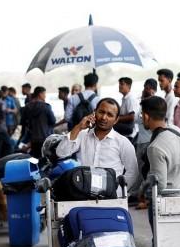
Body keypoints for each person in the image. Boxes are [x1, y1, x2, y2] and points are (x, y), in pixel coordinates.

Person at [139, 96, 180, 247]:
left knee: (160, 245)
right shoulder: (178, 133)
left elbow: (157, 182)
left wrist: (141, 189)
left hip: (162, 203)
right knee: (166, 245)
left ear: (146, 116)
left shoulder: (155, 147)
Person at [56, 97, 138, 193]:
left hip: (111, 200)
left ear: (116, 120)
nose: (104, 117)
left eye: (110, 115)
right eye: (101, 112)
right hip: (84, 196)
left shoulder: (122, 142)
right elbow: (61, 152)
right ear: (94, 112)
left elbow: (133, 172)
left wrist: (117, 192)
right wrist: (78, 127)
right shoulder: (83, 135)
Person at [132, 79, 158, 207]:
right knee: (140, 169)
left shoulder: (155, 104)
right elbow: (137, 120)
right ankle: (140, 194)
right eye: (144, 87)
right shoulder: (142, 104)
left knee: (148, 169)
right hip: (141, 141)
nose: (144, 90)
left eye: (147, 88)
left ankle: (146, 197)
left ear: (153, 89)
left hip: (149, 141)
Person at [24, 86, 56, 160]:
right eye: (44, 94)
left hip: (33, 138)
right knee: (45, 159)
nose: (45, 96)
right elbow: (53, 121)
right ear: (40, 94)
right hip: (45, 138)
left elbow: (24, 122)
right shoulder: (46, 107)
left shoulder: (27, 107)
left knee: (35, 159)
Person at [115, 77, 139, 143]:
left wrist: (117, 119)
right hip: (125, 133)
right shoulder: (124, 98)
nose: (119, 86)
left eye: (122, 84)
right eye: (119, 84)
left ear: (128, 86)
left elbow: (132, 117)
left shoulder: (130, 99)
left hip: (130, 134)